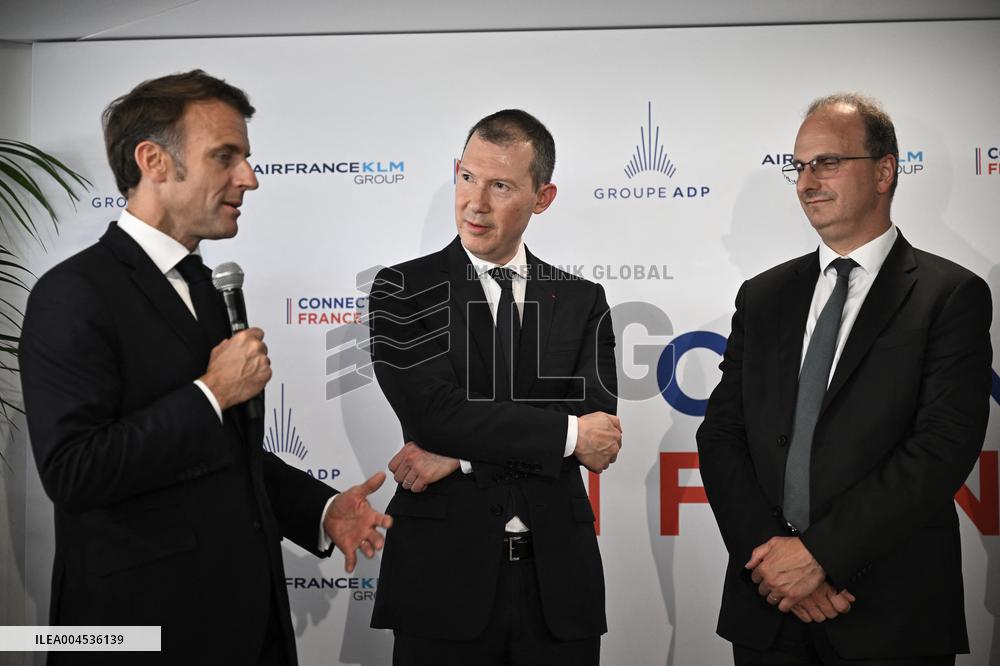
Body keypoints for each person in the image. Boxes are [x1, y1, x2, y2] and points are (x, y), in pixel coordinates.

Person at [20, 70, 392, 665]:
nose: (249, 177)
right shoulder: (73, 293)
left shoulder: (205, 284)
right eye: (225, 156)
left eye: (246, 157)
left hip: (249, 627)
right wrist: (211, 391)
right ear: (154, 161)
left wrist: (322, 512)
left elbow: (223, 454)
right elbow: (75, 472)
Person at [696, 92, 992, 665]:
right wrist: (773, 561)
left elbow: (941, 448)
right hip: (768, 610)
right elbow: (722, 435)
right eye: (799, 166)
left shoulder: (950, 295)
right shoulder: (763, 296)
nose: (807, 182)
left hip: (889, 613)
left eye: (827, 162)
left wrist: (820, 557)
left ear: (884, 172)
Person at [366, 109, 622, 665]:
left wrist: (460, 459)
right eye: (467, 178)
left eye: (500, 186)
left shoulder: (582, 300)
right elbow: (436, 415)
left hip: (559, 585)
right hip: (442, 581)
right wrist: (563, 435)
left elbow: (597, 433)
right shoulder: (402, 288)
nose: (475, 203)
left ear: (542, 197)